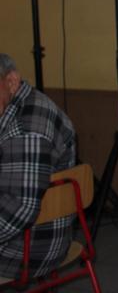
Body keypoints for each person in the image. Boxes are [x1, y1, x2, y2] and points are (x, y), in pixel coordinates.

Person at [0, 53, 77, 281]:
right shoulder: (18, 104)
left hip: (28, 249)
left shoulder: (26, 130)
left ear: (11, 81)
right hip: (30, 235)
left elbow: (18, 209)